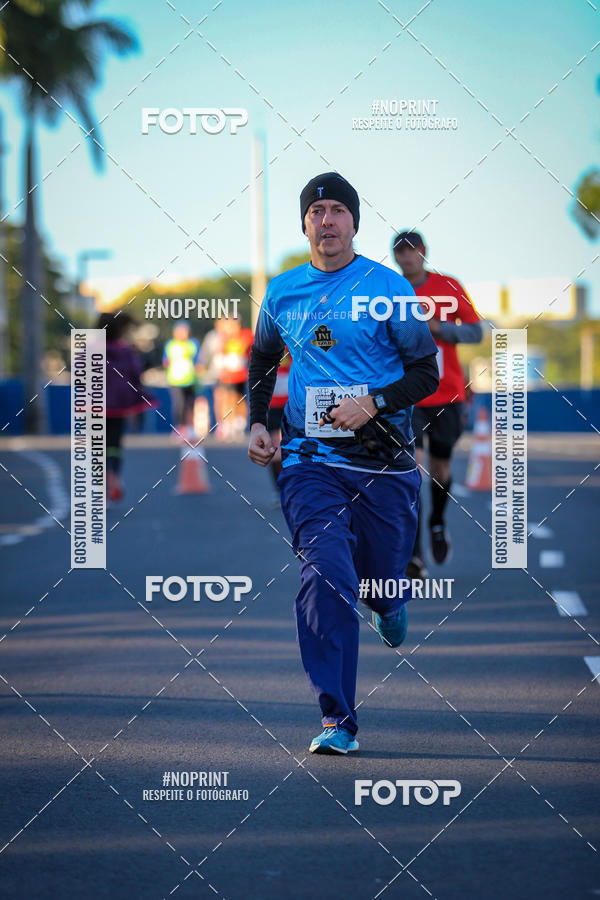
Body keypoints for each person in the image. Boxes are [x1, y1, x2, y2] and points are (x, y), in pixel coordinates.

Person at [248, 173, 439, 755]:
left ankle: (387, 601)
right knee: (326, 574)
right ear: (304, 223)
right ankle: (337, 719)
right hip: (309, 461)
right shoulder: (283, 293)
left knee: (378, 583)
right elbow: (261, 361)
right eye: (316, 211)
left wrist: (373, 403)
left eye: (337, 211)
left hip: (384, 465)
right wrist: (260, 423)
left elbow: (426, 373)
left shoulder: (386, 289)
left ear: (355, 223)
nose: (326, 221)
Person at [392, 231, 482, 577]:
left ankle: (437, 522)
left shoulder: (448, 285)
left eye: (412, 252)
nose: (407, 258)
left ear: (423, 252)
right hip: (408, 396)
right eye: (400, 254)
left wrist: (438, 328)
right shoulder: (391, 289)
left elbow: (476, 332)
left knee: (440, 469)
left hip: (447, 394)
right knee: (410, 471)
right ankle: (414, 555)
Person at [100, 312, 158, 503]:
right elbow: (136, 373)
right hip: (118, 405)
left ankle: (100, 484)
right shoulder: (125, 351)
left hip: (94, 405)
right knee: (115, 444)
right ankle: (114, 475)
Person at [213, 316, 254, 441]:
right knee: (227, 398)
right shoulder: (224, 337)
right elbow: (219, 352)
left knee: (240, 398)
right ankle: (228, 424)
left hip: (241, 374)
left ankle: (239, 424)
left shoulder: (245, 335)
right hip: (227, 374)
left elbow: (246, 346)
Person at [162, 321, 201, 427]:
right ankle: (179, 427)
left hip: (191, 379)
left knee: (190, 404)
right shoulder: (170, 345)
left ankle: (190, 427)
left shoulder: (193, 344)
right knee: (179, 405)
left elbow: (197, 361)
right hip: (175, 380)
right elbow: (165, 361)